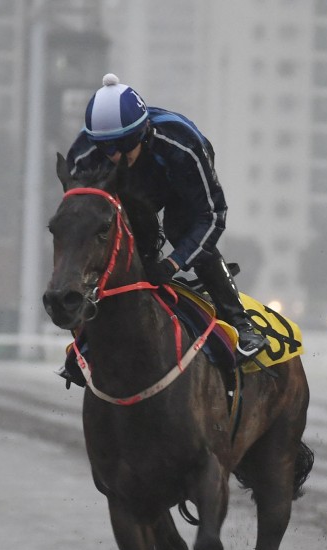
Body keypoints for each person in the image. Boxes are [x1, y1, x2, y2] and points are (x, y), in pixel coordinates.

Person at [62, 73, 266, 377]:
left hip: (176, 181)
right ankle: (88, 337)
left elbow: (212, 216)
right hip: (123, 192)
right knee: (105, 237)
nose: (114, 155)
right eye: (105, 147)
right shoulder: (84, 156)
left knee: (180, 228)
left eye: (122, 144)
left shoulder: (182, 145)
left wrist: (173, 263)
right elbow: (79, 220)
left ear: (142, 132)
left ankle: (241, 323)